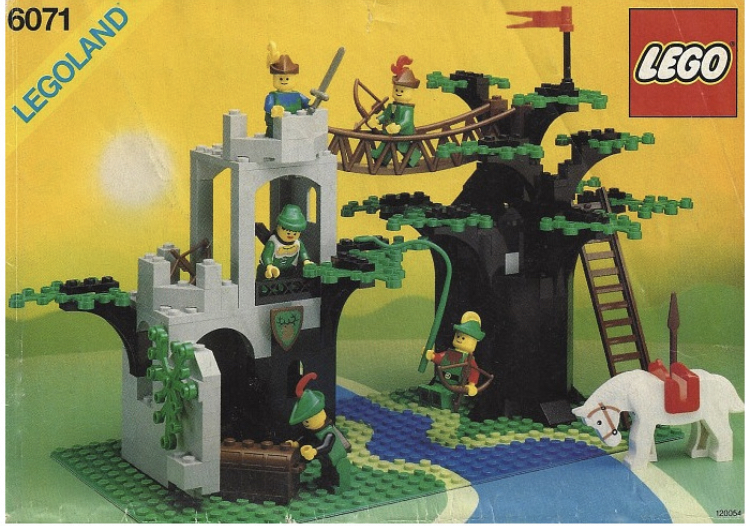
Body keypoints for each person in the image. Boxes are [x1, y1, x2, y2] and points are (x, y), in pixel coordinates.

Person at [288, 379, 351, 491]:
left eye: (308, 419)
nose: (306, 423)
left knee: (339, 472)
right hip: (326, 459)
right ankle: (325, 481)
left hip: (338, 459)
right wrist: (296, 443)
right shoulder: (314, 431)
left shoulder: (329, 432)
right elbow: (306, 439)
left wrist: (314, 451)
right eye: (304, 421)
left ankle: (342, 487)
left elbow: (326, 446)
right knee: (326, 470)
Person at [419, 311, 486, 409]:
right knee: (429, 392)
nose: (459, 339)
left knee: (442, 397)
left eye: (463, 338)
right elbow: (440, 358)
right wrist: (431, 356)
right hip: (439, 382)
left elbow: (474, 372)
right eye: (458, 336)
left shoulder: (468, 359)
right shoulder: (449, 353)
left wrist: (471, 385)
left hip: (454, 387)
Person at [370, 55, 421, 167]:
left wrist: (398, 126)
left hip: (403, 133)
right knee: (388, 144)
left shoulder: (408, 109)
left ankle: (414, 158)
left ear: (411, 91)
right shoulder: (391, 106)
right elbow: (385, 115)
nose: (398, 92)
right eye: (396, 89)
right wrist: (377, 120)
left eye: (402, 90)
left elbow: (406, 121)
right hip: (392, 131)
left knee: (404, 147)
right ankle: (381, 158)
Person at [264, 42, 310, 137]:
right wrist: (273, 110)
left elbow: (307, 103)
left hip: (296, 127)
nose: (284, 80)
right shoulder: (272, 96)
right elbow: (268, 107)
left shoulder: (297, 95)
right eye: (280, 78)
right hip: (277, 127)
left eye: (287, 78)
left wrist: (311, 105)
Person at [259, 204, 313, 279]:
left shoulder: (298, 242)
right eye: (288, 233)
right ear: (278, 227)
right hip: (273, 271)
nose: (291, 235)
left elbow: (303, 252)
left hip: (290, 270)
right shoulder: (273, 242)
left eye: (295, 233)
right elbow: (266, 255)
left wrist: (306, 261)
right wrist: (269, 265)